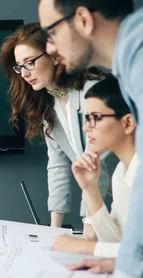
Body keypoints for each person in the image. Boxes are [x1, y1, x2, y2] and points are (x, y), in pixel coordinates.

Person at [37, 0, 143, 278]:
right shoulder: (129, 64)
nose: (50, 47)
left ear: (84, 19)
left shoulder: (142, 49)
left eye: (51, 32)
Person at [0, 22, 116, 229]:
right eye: (19, 66)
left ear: (54, 55)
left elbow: (97, 164)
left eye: (30, 63)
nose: (24, 74)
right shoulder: (49, 108)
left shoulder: (93, 91)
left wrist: (89, 226)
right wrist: (53, 231)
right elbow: (58, 167)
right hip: (113, 200)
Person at [53, 76, 137, 257]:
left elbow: (140, 255)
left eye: (96, 118)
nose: (86, 128)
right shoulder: (121, 173)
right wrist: (91, 190)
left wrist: (84, 247)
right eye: (86, 118)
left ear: (128, 123)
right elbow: (116, 242)